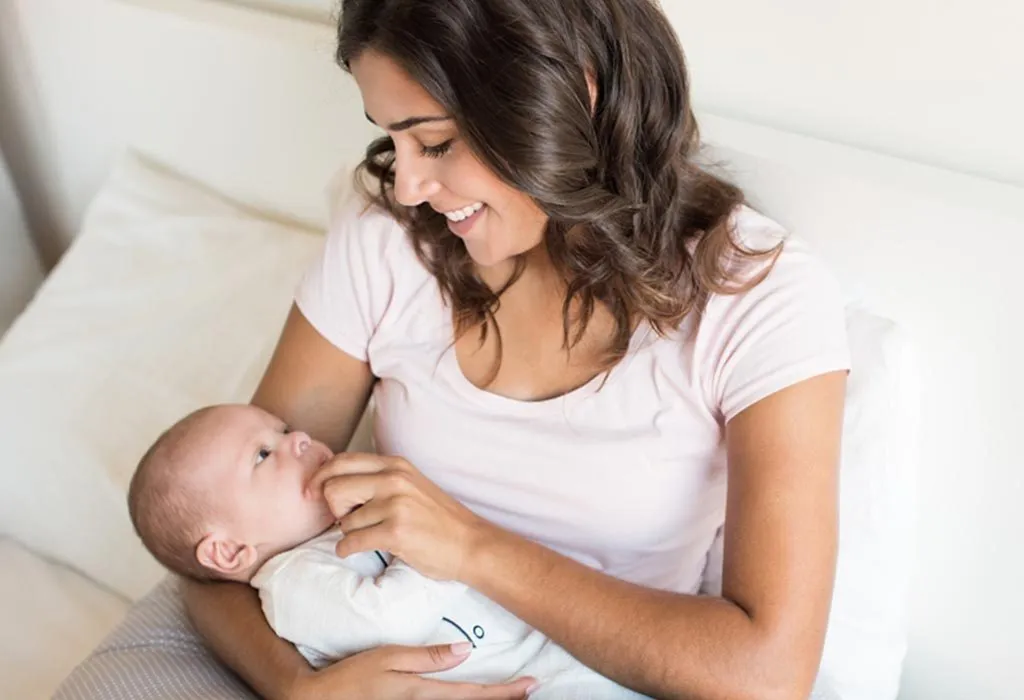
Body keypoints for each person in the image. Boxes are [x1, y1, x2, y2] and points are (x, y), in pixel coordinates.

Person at [184, 1, 851, 698]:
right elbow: (213, 541)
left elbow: (767, 675)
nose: (409, 185)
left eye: (435, 143)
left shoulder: (755, 296)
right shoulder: (387, 242)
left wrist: (472, 548)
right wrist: (299, 689)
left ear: (570, 96)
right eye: (394, 140)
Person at [128, 403, 646, 698]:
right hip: (511, 685)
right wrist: (431, 538)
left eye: (283, 429)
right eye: (264, 454)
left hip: (545, 654)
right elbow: (388, 620)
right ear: (227, 552)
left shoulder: (335, 528)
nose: (301, 438)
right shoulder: (292, 587)